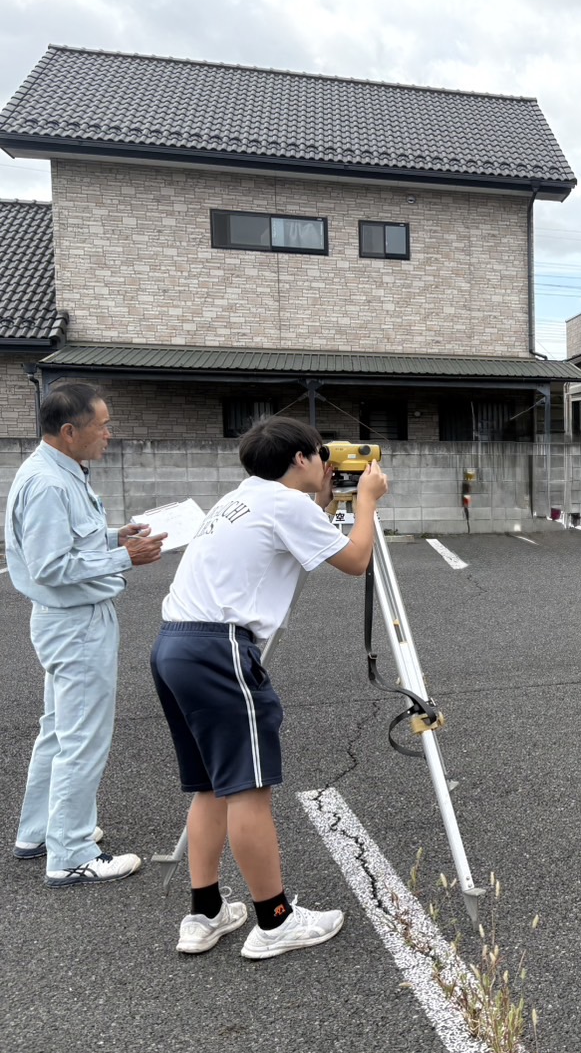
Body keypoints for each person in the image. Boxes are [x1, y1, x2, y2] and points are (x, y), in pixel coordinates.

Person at [149, 417, 387, 958]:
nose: (329, 466)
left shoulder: (241, 499)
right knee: (249, 787)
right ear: (301, 460)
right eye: (321, 457)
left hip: (175, 644)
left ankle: (205, 912)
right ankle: (274, 919)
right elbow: (355, 560)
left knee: (212, 784)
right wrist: (367, 500)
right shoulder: (288, 506)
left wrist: (327, 503)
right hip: (219, 651)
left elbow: (299, 540)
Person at [7, 383, 165, 886]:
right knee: (82, 738)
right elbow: (50, 565)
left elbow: (69, 538)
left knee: (58, 732)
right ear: (70, 431)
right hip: (74, 623)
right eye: (101, 426)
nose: (109, 434)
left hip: (67, 621)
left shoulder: (57, 473)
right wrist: (125, 557)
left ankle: (39, 833)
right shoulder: (49, 483)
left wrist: (113, 536)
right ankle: (71, 853)